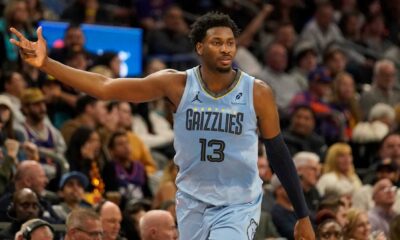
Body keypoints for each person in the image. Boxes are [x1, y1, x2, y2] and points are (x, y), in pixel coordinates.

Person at [9, 12, 314, 239]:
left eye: (231, 43)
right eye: (217, 42)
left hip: (238, 202)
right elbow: (104, 86)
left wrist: (302, 215)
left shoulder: (257, 91)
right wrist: (47, 64)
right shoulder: (176, 84)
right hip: (192, 200)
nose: (225, 49)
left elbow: (277, 150)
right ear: (199, 47)